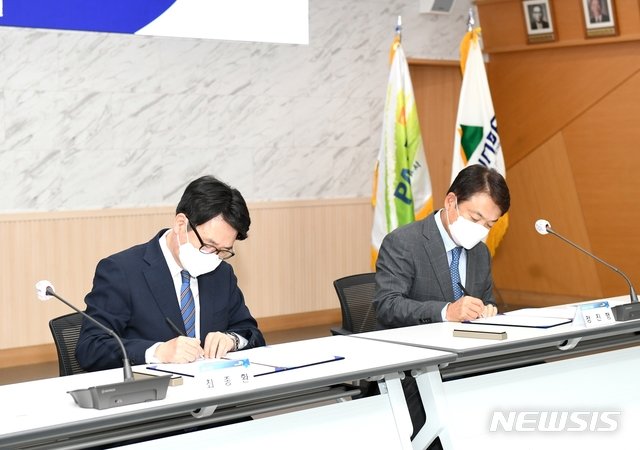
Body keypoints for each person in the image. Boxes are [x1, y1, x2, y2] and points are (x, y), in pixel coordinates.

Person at [373, 164, 510, 442]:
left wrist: (487, 311)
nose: (480, 230)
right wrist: (447, 311)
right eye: (475, 218)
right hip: (416, 369)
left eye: (489, 225)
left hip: (466, 363)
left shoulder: (480, 253)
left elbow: (486, 301)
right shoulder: (404, 242)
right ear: (451, 202)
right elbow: (387, 305)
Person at [76, 175, 265, 372]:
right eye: (209, 245)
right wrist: (157, 352)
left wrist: (232, 340)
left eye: (223, 250)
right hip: (153, 387)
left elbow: (251, 333)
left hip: (210, 385)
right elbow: (90, 347)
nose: (213, 256)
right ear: (181, 224)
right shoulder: (121, 271)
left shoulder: (221, 273)